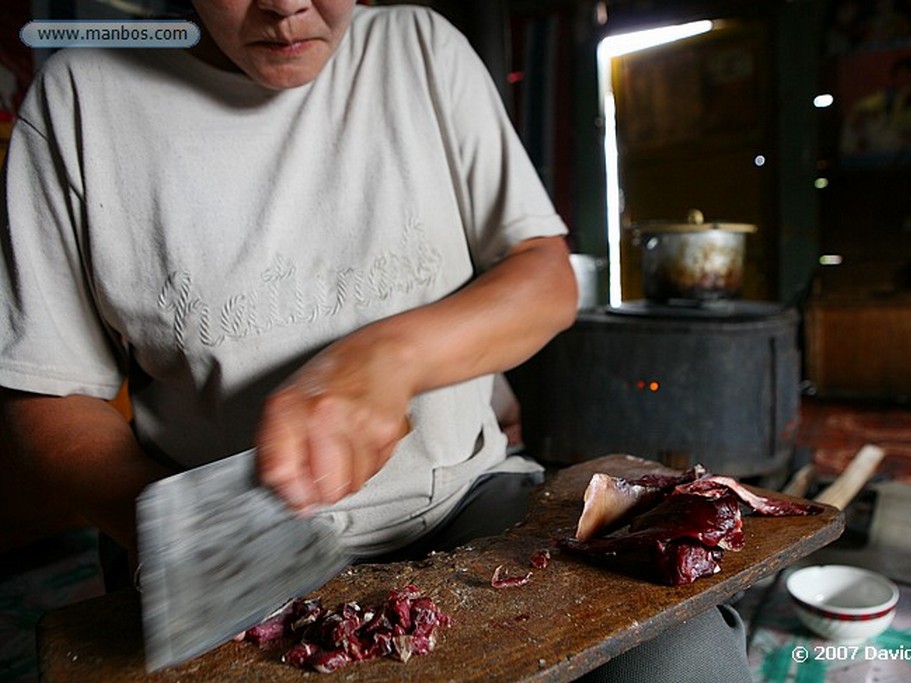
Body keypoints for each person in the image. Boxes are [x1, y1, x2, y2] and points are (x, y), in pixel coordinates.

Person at [0, 2, 751, 680]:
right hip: (230, 551)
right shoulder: (81, 103)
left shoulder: (421, 51)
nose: (289, 6)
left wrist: (389, 358)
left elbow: (545, 277)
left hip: (468, 502)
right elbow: (48, 393)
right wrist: (172, 528)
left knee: (686, 659)